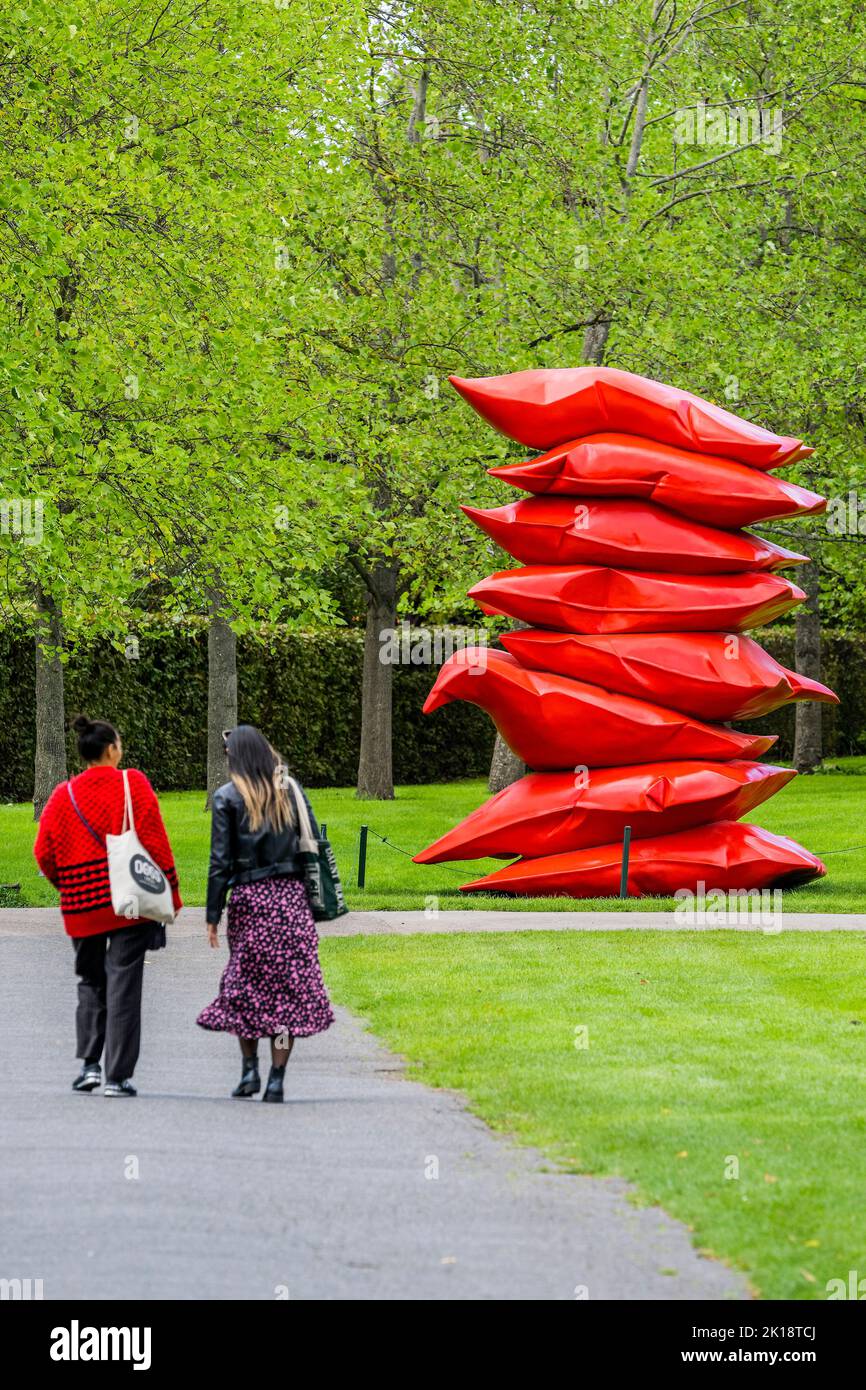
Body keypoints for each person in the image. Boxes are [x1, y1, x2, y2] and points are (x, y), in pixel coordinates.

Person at [33, 715, 182, 1097]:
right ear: (112, 749)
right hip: (129, 903)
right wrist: (172, 893)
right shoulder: (132, 784)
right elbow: (155, 843)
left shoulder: (62, 795)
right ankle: (117, 1077)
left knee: (90, 981)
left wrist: (67, 886)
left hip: (82, 906)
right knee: (124, 985)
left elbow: (43, 853)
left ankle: (88, 1067)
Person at [197, 725, 334, 1102]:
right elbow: (311, 843)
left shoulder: (227, 798)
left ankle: (248, 1072)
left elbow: (219, 862)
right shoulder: (289, 792)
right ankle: (276, 1077)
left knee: (246, 988)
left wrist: (213, 913)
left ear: (237, 757)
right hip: (290, 901)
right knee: (286, 995)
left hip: (249, 901)